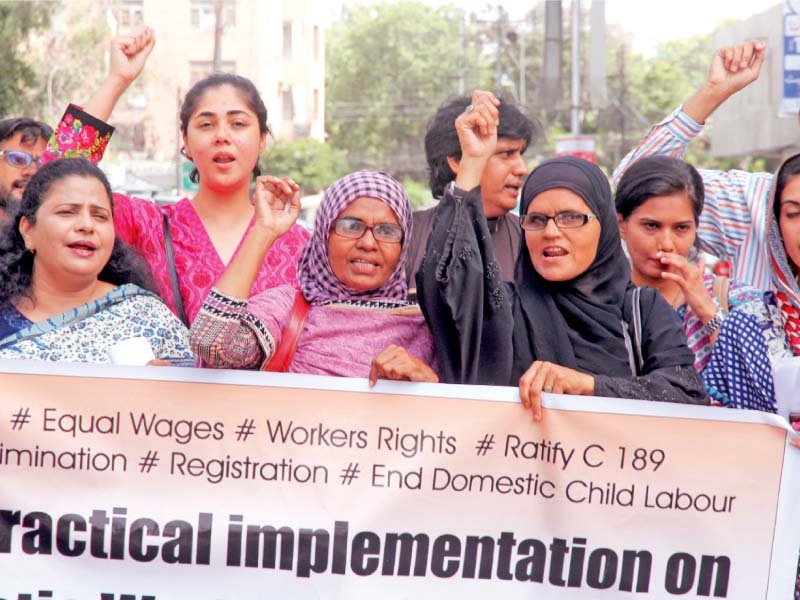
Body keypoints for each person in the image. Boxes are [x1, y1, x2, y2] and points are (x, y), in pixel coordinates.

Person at [417, 91, 708, 418]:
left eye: (571, 218)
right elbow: (446, 281)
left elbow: (687, 397)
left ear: (606, 228)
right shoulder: (502, 311)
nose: (551, 232)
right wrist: (472, 163)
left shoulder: (641, 310)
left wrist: (589, 386)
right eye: (537, 219)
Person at [190, 170, 438, 383]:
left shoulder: (428, 326)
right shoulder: (290, 309)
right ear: (324, 235)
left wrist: (429, 383)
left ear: (403, 245)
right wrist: (264, 231)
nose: (368, 242)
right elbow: (211, 343)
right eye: (351, 226)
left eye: (387, 231)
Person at [112, 72, 309, 325]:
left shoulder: (302, 246)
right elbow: (56, 185)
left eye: (238, 123)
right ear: (186, 141)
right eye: (206, 125)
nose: (222, 136)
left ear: (261, 139)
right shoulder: (147, 225)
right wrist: (118, 79)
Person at [615, 155, 792, 408]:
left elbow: (772, 392)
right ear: (622, 224)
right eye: (651, 226)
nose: (666, 243)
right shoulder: (603, 302)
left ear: (696, 228)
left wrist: (707, 310)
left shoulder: (739, 300)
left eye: (681, 228)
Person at [0, 158, 193, 364]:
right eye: (67, 212)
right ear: (28, 230)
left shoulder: (149, 318)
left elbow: (192, 394)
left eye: (100, 216)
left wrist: (164, 390)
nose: (86, 225)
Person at [0, 26, 155, 222]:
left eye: (42, 163)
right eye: (18, 159)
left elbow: (69, 156)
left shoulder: (51, 240)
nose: (31, 171)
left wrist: (119, 79)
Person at [404, 94, 538, 292]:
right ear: (457, 161)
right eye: (506, 154)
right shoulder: (407, 237)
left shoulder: (530, 239)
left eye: (520, 154)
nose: (522, 168)